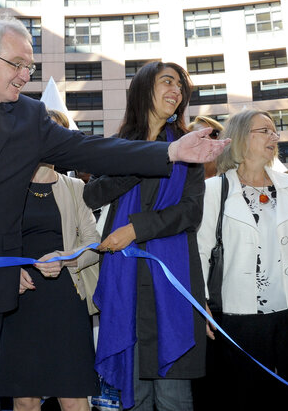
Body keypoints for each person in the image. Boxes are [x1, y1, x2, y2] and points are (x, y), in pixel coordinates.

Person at [0, 15, 229, 411]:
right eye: (17, 64)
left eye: (29, 67)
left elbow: (90, 150)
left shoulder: (30, 117)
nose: (25, 75)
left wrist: (169, 152)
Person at [196, 109, 288, 411]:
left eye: (275, 131)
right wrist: (202, 303)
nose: (274, 137)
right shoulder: (213, 190)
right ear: (240, 139)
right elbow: (200, 251)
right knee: (246, 397)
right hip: (240, 315)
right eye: (265, 131)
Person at [83, 61, 205, 410]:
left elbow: (190, 212)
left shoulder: (191, 146)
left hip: (173, 285)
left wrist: (137, 228)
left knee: (174, 399)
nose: (176, 91)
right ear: (142, 88)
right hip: (127, 283)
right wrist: (148, 157)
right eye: (167, 81)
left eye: (181, 87)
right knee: (133, 397)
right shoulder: (120, 144)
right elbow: (94, 194)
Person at [0, 109, 100, 411]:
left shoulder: (77, 188)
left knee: (73, 398)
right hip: (19, 300)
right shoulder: (5, 187)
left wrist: (66, 258)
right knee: (25, 400)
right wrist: (10, 271)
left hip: (66, 300)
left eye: (56, 135)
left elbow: (93, 245)